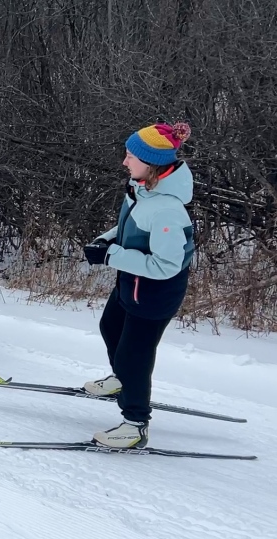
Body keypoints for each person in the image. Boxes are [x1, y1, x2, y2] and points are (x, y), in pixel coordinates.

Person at [81, 121, 193, 448]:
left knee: (135, 357)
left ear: (152, 164)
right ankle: (121, 380)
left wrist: (111, 256)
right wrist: (105, 241)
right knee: (109, 327)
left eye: (130, 156)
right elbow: (128, 229)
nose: (124, 162)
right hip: (131, 285)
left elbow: (167, 265)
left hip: (154, 296)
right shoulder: (141, 189)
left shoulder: (168, 209)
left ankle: (135, 424)